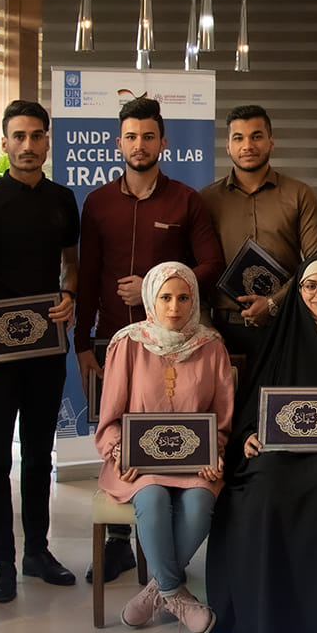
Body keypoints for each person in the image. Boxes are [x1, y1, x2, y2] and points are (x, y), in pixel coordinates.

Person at [76, 95, 224, 580]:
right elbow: (87, 273)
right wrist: (81, 341)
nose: (139, 145)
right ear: (118, 143)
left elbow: (212, 264)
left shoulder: (186, 200)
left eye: (148, 136)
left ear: (164, 142)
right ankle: (121, 545)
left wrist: (154, 284)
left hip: (176, 342)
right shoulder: (97, 202)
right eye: (131, 137)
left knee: (170, 432)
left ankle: (161, 558)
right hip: (114, 340)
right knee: (122, 433)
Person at [209, 255, 317, 633]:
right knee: (263, 490)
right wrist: (249, 437)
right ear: (298, 292)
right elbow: (253, 406)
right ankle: (273, 618)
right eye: (311, 286)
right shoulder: (280, 339)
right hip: (280, 451)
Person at [0, 99, 81, 604]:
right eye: (19, 136)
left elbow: (71, 262)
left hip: (47, 349)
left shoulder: (63, 199)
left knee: (37, 455)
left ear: (48, 141)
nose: (28, 145)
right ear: (5, 142)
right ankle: (2, 562)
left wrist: (70, 294)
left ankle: (37, 552)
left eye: (36, 135)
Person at [94, 261, 235, 633]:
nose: (174, 307)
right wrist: (118, 452)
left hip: (196, 463)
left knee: (201, 502)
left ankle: (158, 591)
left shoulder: (212, 346)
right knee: (153, 498)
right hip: (138, 464)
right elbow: (110, 418)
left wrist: (215, 452)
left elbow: (222, 419)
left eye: (183, 298)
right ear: (150, 300)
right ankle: (175, 593)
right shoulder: (128, 344)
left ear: (195, 300)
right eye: (166, 297)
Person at [200, 104, 317, 357]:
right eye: (238, 138)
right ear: (228, 146)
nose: (247, 145)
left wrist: (273, 303)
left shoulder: (299, 194)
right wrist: (204, 325)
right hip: (223, 332)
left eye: (256, 136)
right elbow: (198, 267)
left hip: (287, 324)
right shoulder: (206, 200)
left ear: (271, 142)